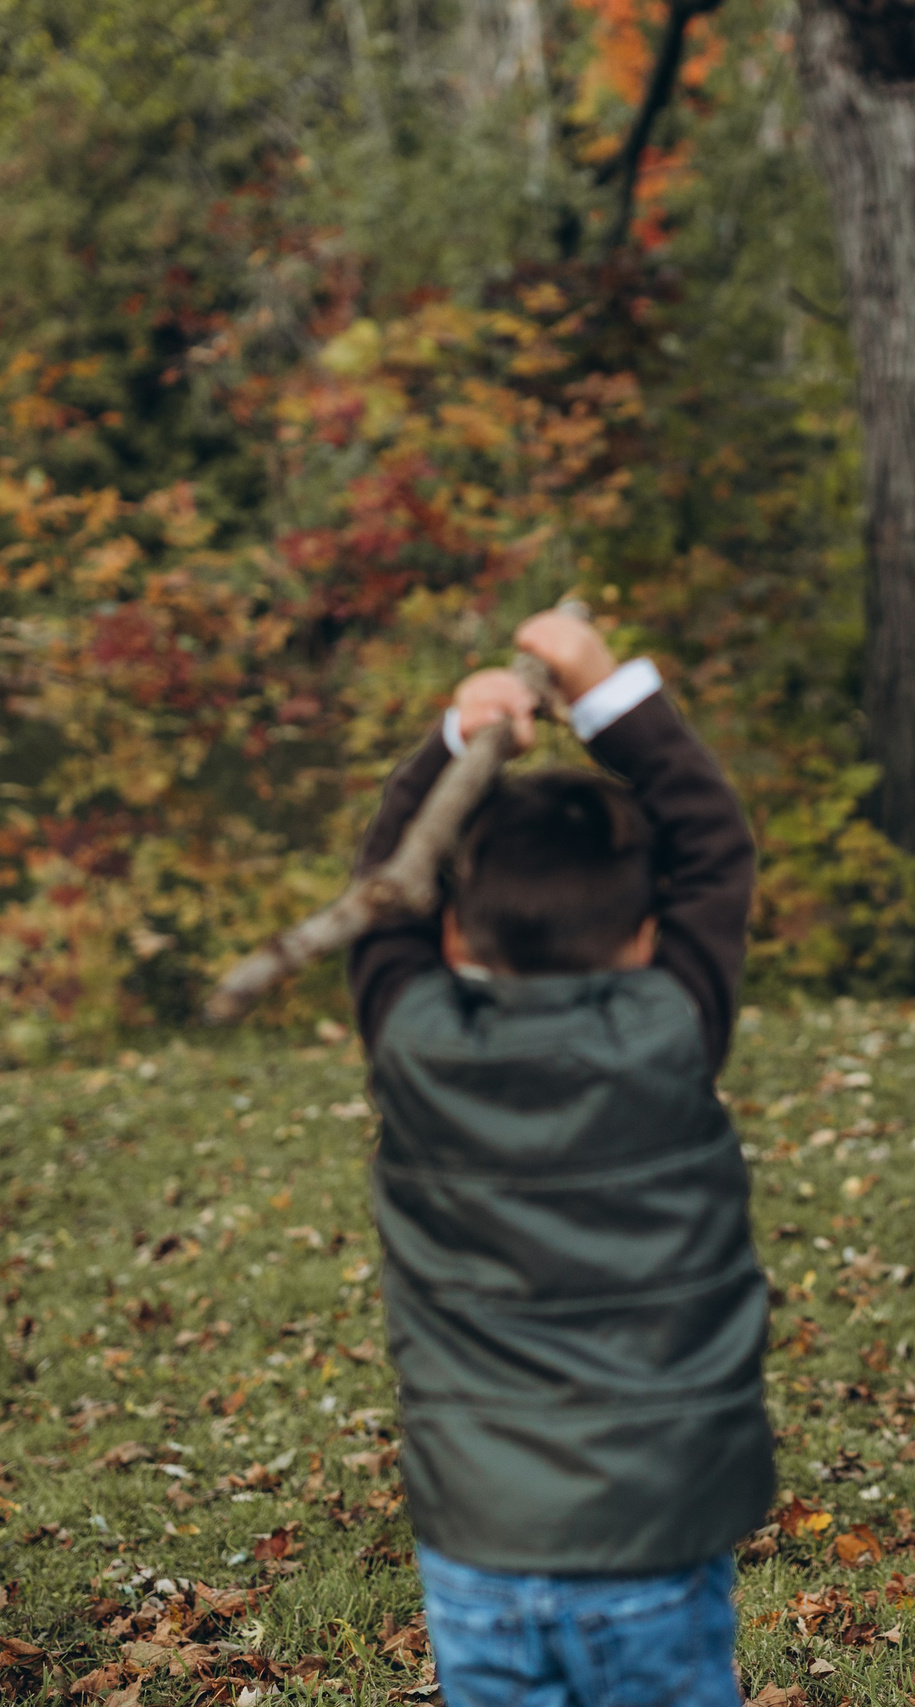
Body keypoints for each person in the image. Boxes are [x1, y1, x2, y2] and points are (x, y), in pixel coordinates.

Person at [347, 607, 771, 1707]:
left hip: (477, 1546)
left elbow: (383, 894)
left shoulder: (413, 1043)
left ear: (447, 935)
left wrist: (452, 746)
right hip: (655, 1539)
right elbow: (715, 845)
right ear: (646, 935)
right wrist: (604, 691)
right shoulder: (672, 1026)